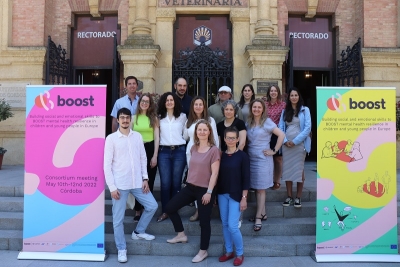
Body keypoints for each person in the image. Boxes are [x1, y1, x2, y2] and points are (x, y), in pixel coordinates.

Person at [104, 108, 158, 263]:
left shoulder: (137, 137)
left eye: (127, 118)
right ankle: (122, 249)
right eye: (122, 118)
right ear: (118, 120)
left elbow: (142, 158)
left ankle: (139, 231)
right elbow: (106, 165)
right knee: (117, 219)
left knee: (152, 205)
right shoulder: (111, 139)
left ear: (130, 119)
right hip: (120, 185)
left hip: (137, 182)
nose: (125, 120)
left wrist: (145, 179)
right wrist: (112, 187)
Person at [165, 120, 220, 263]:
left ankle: (203, 251)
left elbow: (214, 174)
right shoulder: (193, 148)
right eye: (199, 129)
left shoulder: (214, 150)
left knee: (204, 221)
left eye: (204, 130)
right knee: (170, 207)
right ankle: (181, 234)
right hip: (190, 187)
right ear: (196, 132)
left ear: (209, 132)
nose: (201, 132)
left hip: (205, 190)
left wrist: (209, 192)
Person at [246, 99, 285, 231]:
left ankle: (258, 218)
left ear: (263, 109)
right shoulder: (248, 122)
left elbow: (281, 135)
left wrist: (274, 150)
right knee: (257, 188)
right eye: (254, 107)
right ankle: (263, 213)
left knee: (261, 189)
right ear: (251, 108)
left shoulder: (267, 122)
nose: (256, 109)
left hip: (263, 159)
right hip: (251, 159)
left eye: (259, 107)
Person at [217, 126, 250, 266]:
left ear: (237, 139)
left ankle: (240, 253)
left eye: (233, 138)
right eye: (228, 138)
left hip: (236, 195)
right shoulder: (220, 155)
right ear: (224, 139)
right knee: (225, 224)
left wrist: (244, 198)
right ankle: (229, 252)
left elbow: (246, 178)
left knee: (233, 226)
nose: (230, 140)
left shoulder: (242, 156)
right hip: (222, 194)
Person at [183, 96, 219, 222]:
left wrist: (215, 154)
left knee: (205, 181)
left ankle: (203, 208)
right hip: (191, 153)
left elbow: (215, 139)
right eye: (195, 104)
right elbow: (185, 136)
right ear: (192, 106)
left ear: (204, 106)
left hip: (206, 154)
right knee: (194, 181)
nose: (198, 106)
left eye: (200, 104)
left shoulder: (210, 120)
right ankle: (197, 208)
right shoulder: (189, 121)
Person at [157, 92, 187, 222]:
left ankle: (174, 210)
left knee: (176, 183)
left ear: (175, 102)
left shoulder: (182, 117)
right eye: (167, 100)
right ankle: (165, 211)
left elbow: (185, 135)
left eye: (171, 100)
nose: (169, 102)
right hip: (163, 152)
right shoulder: (158, 118)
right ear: (164, 102)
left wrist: (179, 141)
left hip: (179, 151)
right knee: (165, 183)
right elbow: (157, 136)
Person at [279, 87, 311, 208]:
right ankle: (289, 197)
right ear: (289, 97)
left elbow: (307, 128)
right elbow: (280, 127)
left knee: (299, 169)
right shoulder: (284, 111)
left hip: (299, 144)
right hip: (287, 145)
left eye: (296, 95)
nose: (293, 97)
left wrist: (295, 141)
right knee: (287, 169)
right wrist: (286, 141)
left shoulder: (304, 110)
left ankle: (298, 197)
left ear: (299, 97)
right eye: (291, 95)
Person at [131, 93, 160, 222]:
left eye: (147, 101)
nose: (144, 103)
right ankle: (138, 210)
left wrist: (155, 155)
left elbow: (157, 138)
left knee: (150, 180)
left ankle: (148, 208)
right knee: (137, 181)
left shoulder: (154, 119)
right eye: (143, 101)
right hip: (136, 150)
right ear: (139, 102)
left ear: (150, 104)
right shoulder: (133, 118)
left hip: (149, 149)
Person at [265, 85, 286, 190]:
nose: (273, 92)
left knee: (278, 158)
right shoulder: (265, 105)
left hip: (277, 134)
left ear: (278, 92)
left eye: (275, 91)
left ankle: (277, 181)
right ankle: (268, 180)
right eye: (271, 91)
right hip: (266, 133)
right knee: (267, 157)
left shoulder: (283, 105)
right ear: (269, 92)